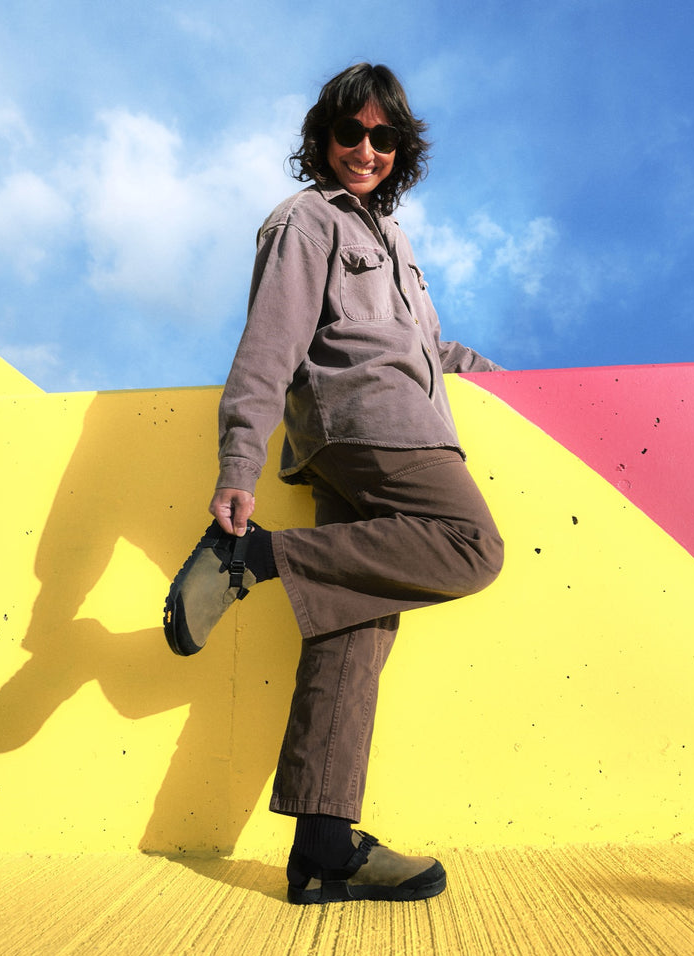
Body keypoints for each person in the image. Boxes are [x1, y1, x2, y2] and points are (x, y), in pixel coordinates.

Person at [163, 63, 505, 905]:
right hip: (372, 428)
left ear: (401, 149)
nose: (365, 149)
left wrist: (490, 372)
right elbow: (270, 342)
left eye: (382, 137)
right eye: (349, 134)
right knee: (472, 548)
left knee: (353, 631)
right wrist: (239, 460)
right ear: (322, 140)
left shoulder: (398, 246)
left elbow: (422, 348)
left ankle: (323, 847)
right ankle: (257, 559)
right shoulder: (306, 220)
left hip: (381, 422)